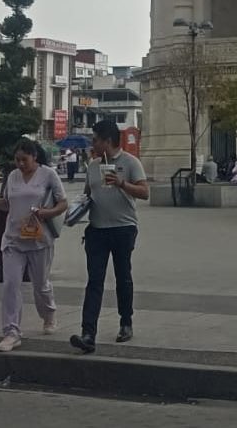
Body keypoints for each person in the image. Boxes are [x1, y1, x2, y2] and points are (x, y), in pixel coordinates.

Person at [71, 120, 149, 355]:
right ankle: (88, 333)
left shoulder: (130, 162)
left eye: (95, 140)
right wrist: (74, 212)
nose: (92, 144)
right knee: (94, 281)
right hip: (97, 230)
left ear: (107, 141)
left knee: (123, 277)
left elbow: (144, 192)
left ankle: (126, 322)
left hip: (123, 228)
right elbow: (87, 195)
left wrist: (122, 183)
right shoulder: (93, 166)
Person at [0, 138, 67, 352]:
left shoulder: (48, 174)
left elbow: (63, 203)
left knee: (40, 284)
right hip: (13, 239)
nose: (20, 164)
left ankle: (48, 313)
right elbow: (7, 203)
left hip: (39, 239)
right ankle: (11, 332)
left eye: (24, 160)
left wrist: (47, 213)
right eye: (17, 160)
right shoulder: (12, 176)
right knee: (11, 285)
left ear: (34, 157)